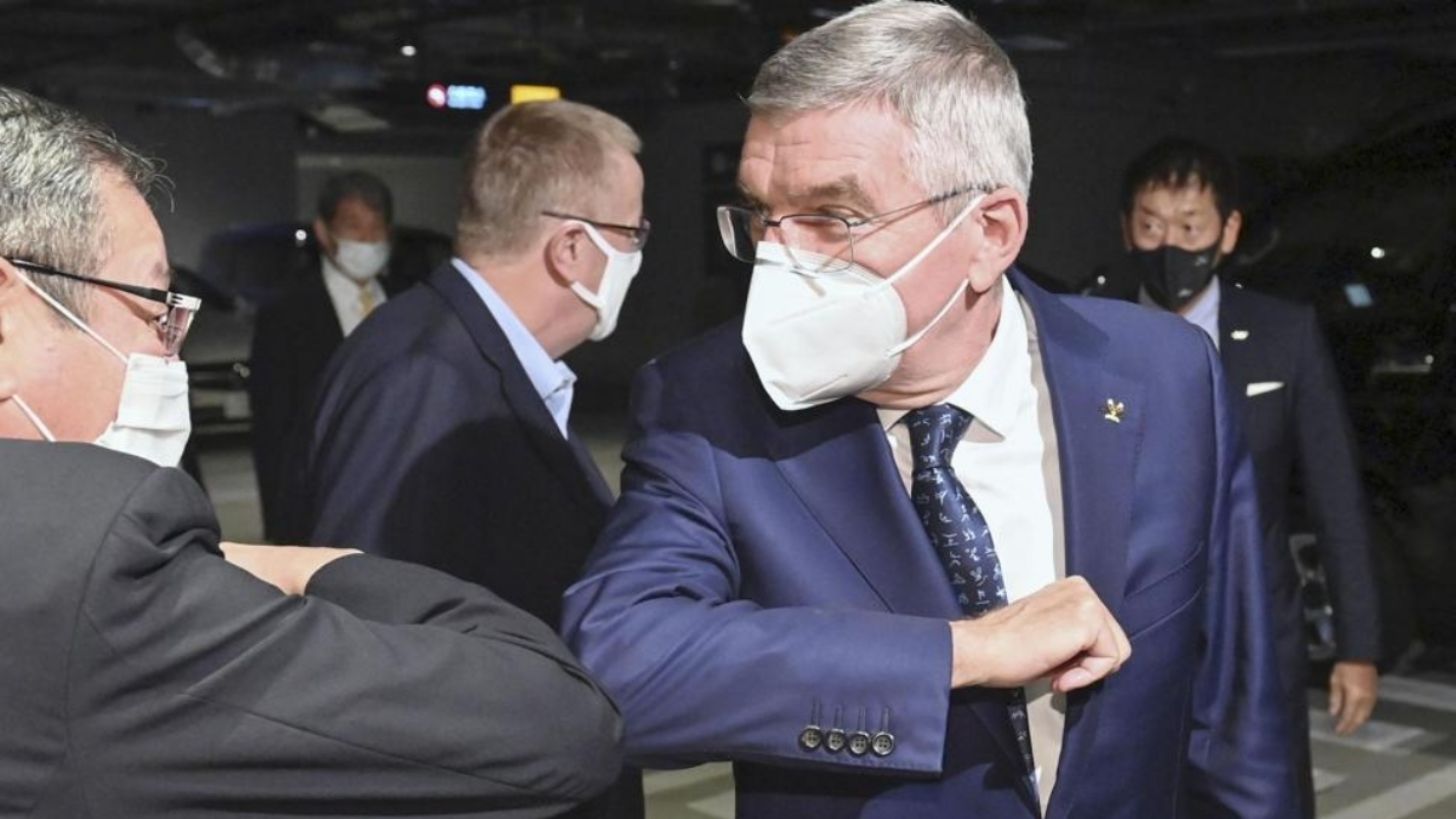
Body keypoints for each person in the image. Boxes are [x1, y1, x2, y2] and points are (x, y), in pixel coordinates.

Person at [561, 2, 1297, 817]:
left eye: (831, 218)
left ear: (990, 232)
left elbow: (1240, 705)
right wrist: (960, 652)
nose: (776, 259)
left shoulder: (1166, 373)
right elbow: (616, 670)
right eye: (763, 216)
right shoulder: (709, 402)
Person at [0, 85, 621, 817]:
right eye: (156, 307)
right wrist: (300, 564)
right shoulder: (97, 572)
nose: (170, 354)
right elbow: (560, 723)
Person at [288, 99, 648, 818]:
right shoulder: (423, 378)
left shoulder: (464, 352)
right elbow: (370, 650)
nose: (639, 253)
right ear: (571, 249)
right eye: (632, 232)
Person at [1117, 136, 1382, 816]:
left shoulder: (1283, 334)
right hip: (1122, 633)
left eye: (1190, 227)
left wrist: (1357, 649)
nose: (1170, 245)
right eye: (1151, 225)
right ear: (1127, 229)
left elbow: (1336, 499)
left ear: (1228, 231)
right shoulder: (1091, 329)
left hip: (1254, 634)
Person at [248, 171, 409, 541]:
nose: (367, 241)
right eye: (354, 228)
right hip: (325, 507)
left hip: (401, 499)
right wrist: (282, 529)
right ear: (324, 232)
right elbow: (273, 429)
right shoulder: (286, 314)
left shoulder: (407, 301)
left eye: (376, 229)